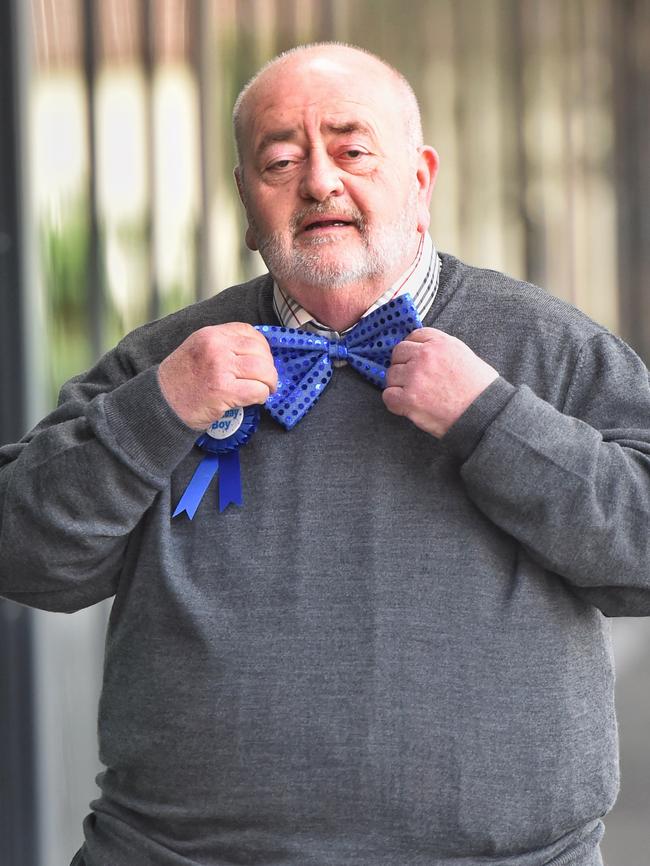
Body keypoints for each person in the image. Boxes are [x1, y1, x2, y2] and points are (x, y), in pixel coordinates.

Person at [1, 41, 649, 866]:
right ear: (246, 202)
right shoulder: (167, 360)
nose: (318, 181)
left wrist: (494, 420)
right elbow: (24, 556)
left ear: (420, 180)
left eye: (352, 150)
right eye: (280, 160)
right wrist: (157, 410)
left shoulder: (548, 346)